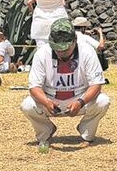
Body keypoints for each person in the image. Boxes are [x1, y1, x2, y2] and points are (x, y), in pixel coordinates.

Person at [20, 18, 110, 151]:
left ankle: (86, 132)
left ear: (74, 41)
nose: (61, 52)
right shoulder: (41, 54)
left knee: (103, 101)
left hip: (80, 99)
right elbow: (34, 87)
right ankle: (46, 131)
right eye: (57, 49)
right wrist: (46, 102)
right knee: (27, 105)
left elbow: (96, 85)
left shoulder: (87, 51)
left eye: (65, 49)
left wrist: (80, 102)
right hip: (50, 100)